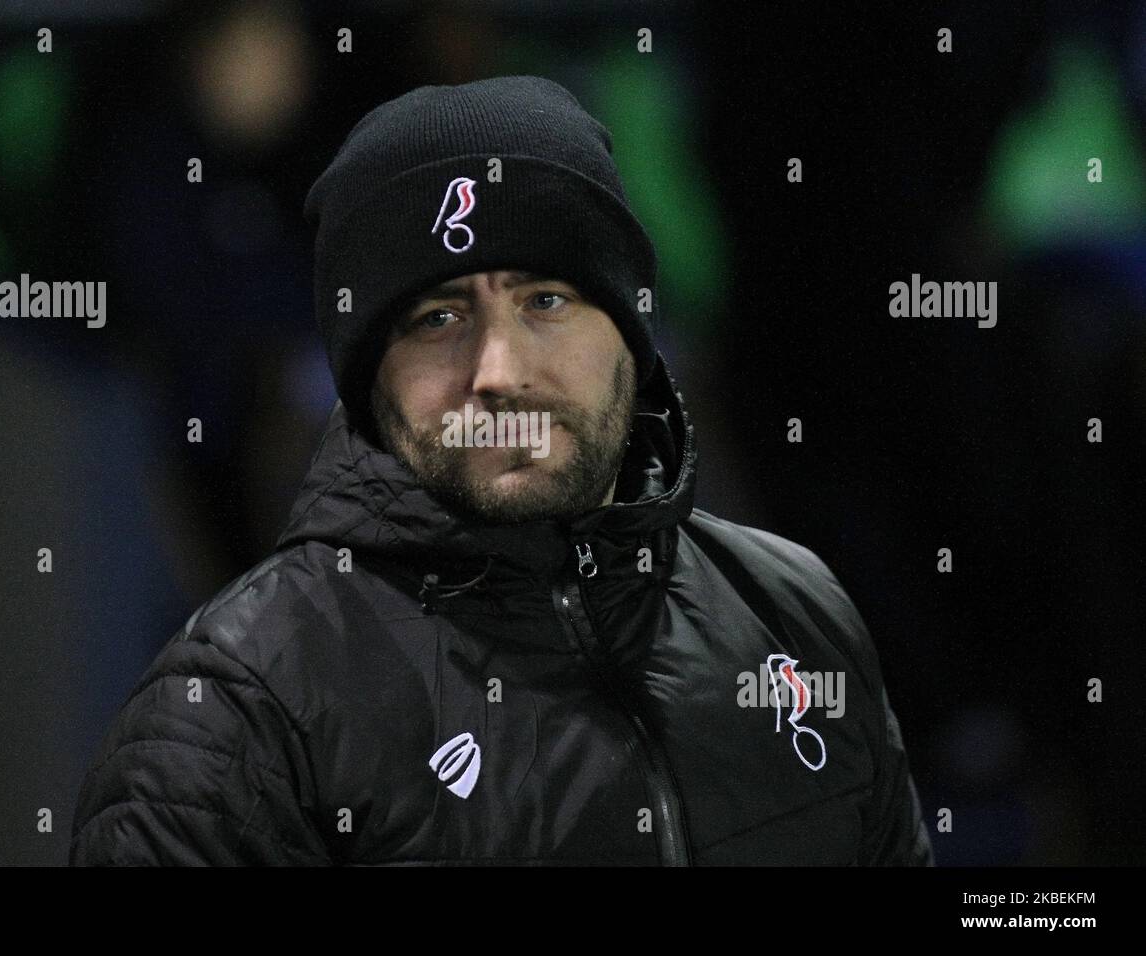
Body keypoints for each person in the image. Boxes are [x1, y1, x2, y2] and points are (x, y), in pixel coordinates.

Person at [69, 75, 934, 866]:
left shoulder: (796, 615)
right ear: (366, 376)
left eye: (545, 301)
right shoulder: (230, 725)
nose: (499, 369)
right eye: (438, 317)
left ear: (631, 333)